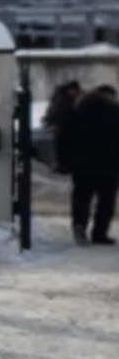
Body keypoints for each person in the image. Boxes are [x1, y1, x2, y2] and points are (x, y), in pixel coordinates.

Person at [64, 84, 119, 246]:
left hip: (82, 164)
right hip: (109, 164)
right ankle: (100, 233)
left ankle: (79, 226)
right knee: (105, 201)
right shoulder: (115, 112)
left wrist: (65, 161)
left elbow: (66, 138)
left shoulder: (78, 111)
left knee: (81, 197)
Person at [44, 80, 83, 174]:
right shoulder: (62, 98)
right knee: (61, 144)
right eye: (75, 92)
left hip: (62, 125)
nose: (76, 94)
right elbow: (59, 112)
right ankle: (62, 165)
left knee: (64, 144)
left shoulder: (63, 96)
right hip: (61, 125)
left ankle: (64, 164)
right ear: (71, 90)